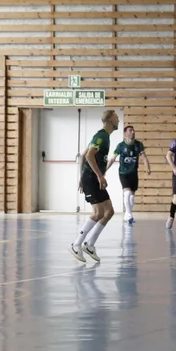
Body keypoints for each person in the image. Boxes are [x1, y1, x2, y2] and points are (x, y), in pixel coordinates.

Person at [71, 109, 119, 263]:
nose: (118, 120)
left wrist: (81, 176)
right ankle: (76, 244)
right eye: (117, 118)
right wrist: (99, 175)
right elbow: (89, 155)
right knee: (98, 213)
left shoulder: (104, 136)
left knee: (109, 212)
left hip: (92, 178)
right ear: (111, 120)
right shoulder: (101, 136)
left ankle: (89, 244)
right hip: (92, 178)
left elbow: (82, 155)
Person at [111, 125, 150, 225]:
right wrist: (105, 170)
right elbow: (112, 158)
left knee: (132, 198)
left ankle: (128, 214)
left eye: (133, 130)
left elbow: (144, 157)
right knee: (127, 193)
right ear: (125, 133)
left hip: (133, 173)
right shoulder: (121, 146)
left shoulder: (138, 144)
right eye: (130, 130)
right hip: (123, 173)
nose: (133, 132)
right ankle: (129, 215)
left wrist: (147, 168)